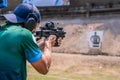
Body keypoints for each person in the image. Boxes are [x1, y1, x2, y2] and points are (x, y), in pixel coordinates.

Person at [0, 3, 62, 80]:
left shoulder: (3, 30)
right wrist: (49, 44)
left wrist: (43, 42)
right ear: (30, 22)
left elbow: (20, 53)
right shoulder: (24, 34)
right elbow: (44, 68)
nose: (34, 30)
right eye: (35, 25)